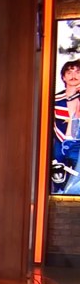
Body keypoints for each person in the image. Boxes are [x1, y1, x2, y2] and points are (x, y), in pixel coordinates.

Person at [52, 59, 80, 194]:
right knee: (58, 179)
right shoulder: (55, 99)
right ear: (63, 77)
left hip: (77, 145)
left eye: (77, 72)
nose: (73, 75)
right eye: (69, 72)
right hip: (59, 144)